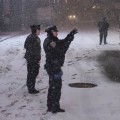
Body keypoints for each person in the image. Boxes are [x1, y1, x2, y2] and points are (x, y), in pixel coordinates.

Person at [43, 25, 77, 113]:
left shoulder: (53, 40)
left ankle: (50, 105)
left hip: (53, 66)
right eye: (55, 32)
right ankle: (54, 107)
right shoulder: (50, 42)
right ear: (51, 32)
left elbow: (62, 42)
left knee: (52, 87)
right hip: (53, 67)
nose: (57, 33)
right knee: (56, 88)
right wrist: (67, 43)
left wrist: (70, 35)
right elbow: (61, 50)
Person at [24, 25, 41, 94]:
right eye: (39, 30)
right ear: (36, 30)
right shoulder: (34, 38)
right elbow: (32, 48)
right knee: (33, 73)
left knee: (31, 73)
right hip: (33, 59)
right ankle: (31, 89)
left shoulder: (30, 37)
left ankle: (30, 87)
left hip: (30, 58)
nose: (40, 31)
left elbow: (26, 46)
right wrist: (35, 57)